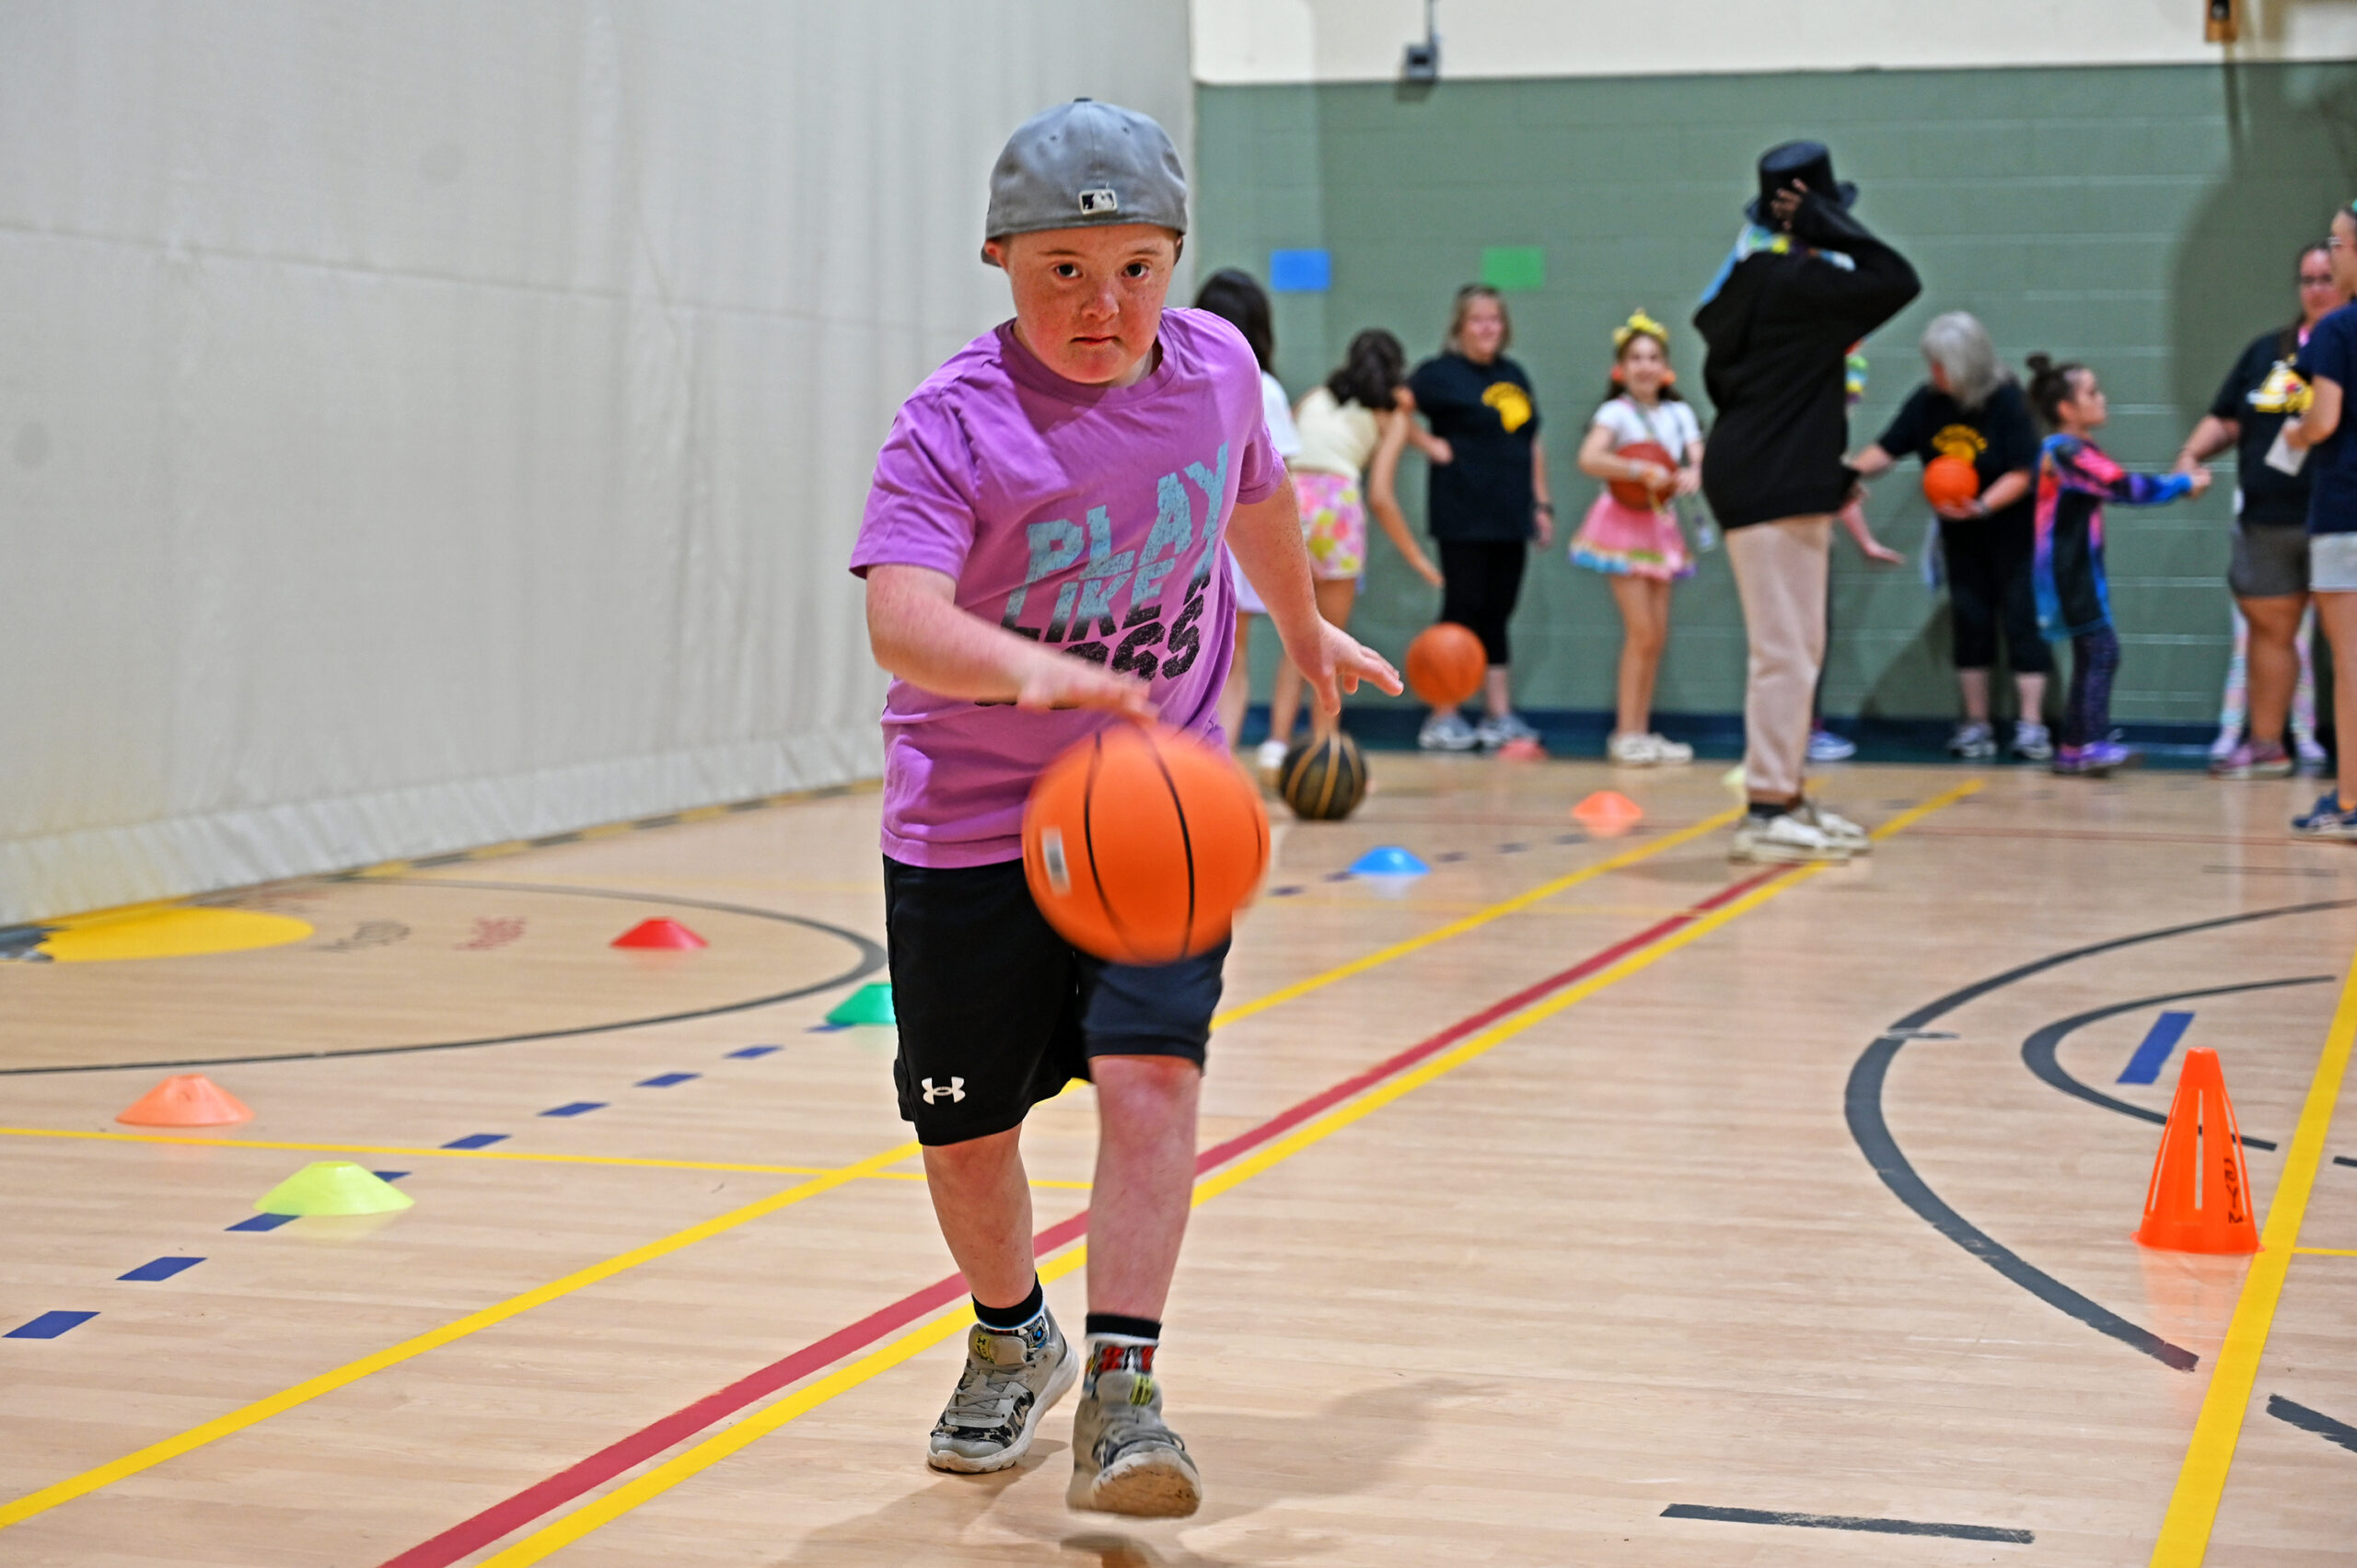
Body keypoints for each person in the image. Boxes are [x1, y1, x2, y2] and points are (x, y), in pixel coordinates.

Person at [850, 99, 1399, 1516]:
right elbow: (903, 620)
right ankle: (1010, 1328)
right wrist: (1036, 672)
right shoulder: (950, 423)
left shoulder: (1216, 371)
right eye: (1065, 273)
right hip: (972, 819)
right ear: (1002, 261)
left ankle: (1124, 1387)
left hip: (1158, 802)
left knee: (1154, 1080)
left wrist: (1302, 626)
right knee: (968, 1137)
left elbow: (1256, 493)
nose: (1105, 306)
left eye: (1135, 268)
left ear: (1173, 258)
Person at [1693, 141, 1919, 861]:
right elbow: (1898, 279)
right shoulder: (1800, 284)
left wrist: (1821, 468)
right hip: (1769, 481)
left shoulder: (1746, 285)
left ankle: (1787, 794)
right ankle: (1764, 808)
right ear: (1815, 214)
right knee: (1784, 652)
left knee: (1800, 648)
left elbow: (1757, 391)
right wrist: (1829, 225)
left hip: (1779, 475)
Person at [2177, 242, 2349, 779]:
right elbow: (2229, 417)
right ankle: (2268, 742)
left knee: (2349, 641)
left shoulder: (2348, 341)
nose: (2317, 288)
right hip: (2269, 517)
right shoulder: (2265, 353)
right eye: (2307, 279)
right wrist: (2190, 455)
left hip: (2339, 516)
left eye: (2326, 276)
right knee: (2269, 630)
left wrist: (2308, 430)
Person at [1852, 311, 2054, 761]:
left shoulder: (2007, 401)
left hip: (2012, 534)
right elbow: (1887, 449)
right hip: (1959, 537)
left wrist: (1981, 507)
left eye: (1941, 365)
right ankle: (1976, 725)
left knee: (2023, 623)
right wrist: (1846, 471)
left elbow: (2025, 472)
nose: (1934, 374)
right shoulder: (1928, 402)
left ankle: (2032, 726)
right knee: (1971, 624)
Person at [1257, 329, 1445, 766]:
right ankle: (1328, 752)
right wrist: (1418, 558)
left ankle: (1276, 745)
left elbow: (1279, 454)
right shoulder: (1391, 412)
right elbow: (1380, 495)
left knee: (1297, 633)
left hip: (1292, 500)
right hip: (1338, 506)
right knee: (1330, 642)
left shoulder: (1315, 396)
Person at [2025, 354, 2210, 775]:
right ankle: (2088, 744)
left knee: (2094, 652)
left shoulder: (2071, 449)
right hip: (2068, 572)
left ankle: (2074, 747)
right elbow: (2123, 486)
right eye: (2092, 392)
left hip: (2075, 568)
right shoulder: (2067, 451)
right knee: (2101, 650)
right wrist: (2183, 483)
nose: (2102, 398)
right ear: (2066, 409)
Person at [1408, 285, 1554, 751]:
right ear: (1460, 327)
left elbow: (1532, 443)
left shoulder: (1515, 374)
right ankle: (1443, 715)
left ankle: (1498, 715)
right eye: (1477, 320)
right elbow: (1394, 405)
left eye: (1495, 319)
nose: (1487, 327)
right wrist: (1429, 445)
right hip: (1462, 514)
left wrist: (1542, 504)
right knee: (1462, 608)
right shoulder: (1439, 374)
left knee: (1498, 613)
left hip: (1510, 514)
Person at [1569, 309, 1701, 765]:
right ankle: (1625, 733)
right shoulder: (1615, 412)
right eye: (1636, 357)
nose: (1645, 365)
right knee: (1640, 630)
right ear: (1621, 369)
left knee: (1656, 635)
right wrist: (1634, 469)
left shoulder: (1680, 413)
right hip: (1621, 522)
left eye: (1653, 357)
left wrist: (1690, 474)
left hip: (1660, 521)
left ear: (1666, 367)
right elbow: (1589, 458)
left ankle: (1641, 731)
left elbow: (1698, 460)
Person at [1194, 270, 1306, 757]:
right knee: (1228, 661)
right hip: (1236, 541)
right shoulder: (1263, 388)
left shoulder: (1177, 383)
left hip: (1182, 537)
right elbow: (1281, 481)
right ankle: (1211, 778)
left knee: (1194, 662)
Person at [2286, 201, 2357, 837]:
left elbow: (2324, 419)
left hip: (2347, 513)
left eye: (2337, 245)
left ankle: (2351, 801)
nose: (2330, 256)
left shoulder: (2337, 331)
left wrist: (2299, 432)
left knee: (2352, 664)